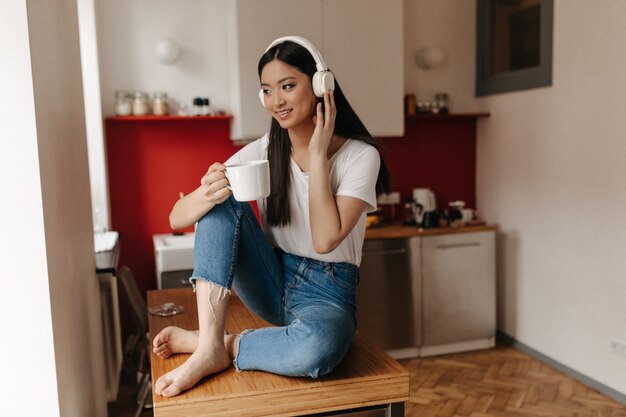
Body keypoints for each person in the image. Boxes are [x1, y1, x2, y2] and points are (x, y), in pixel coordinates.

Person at [152, 35, 391, 398]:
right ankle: (209, 347)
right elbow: (175, 218)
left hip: (328, 294)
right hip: (271, 279)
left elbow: (325, 238)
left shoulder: (360, 156)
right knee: (219, 204)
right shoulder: (263, 152)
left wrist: (316, 155)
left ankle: (217, 345)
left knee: (316, 351)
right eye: (266, 90)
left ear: (321, 85)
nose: (275, 100)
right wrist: (207, 191)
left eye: (288, 86)